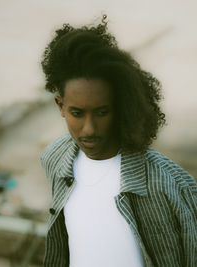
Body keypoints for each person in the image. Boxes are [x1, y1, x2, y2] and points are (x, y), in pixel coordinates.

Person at [40, 15, 197, 267]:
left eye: (102, 112)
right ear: (61, 106)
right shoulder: (54, 158)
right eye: (77, 113)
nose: (89, 129)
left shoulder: (171, 185)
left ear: (121, 106)